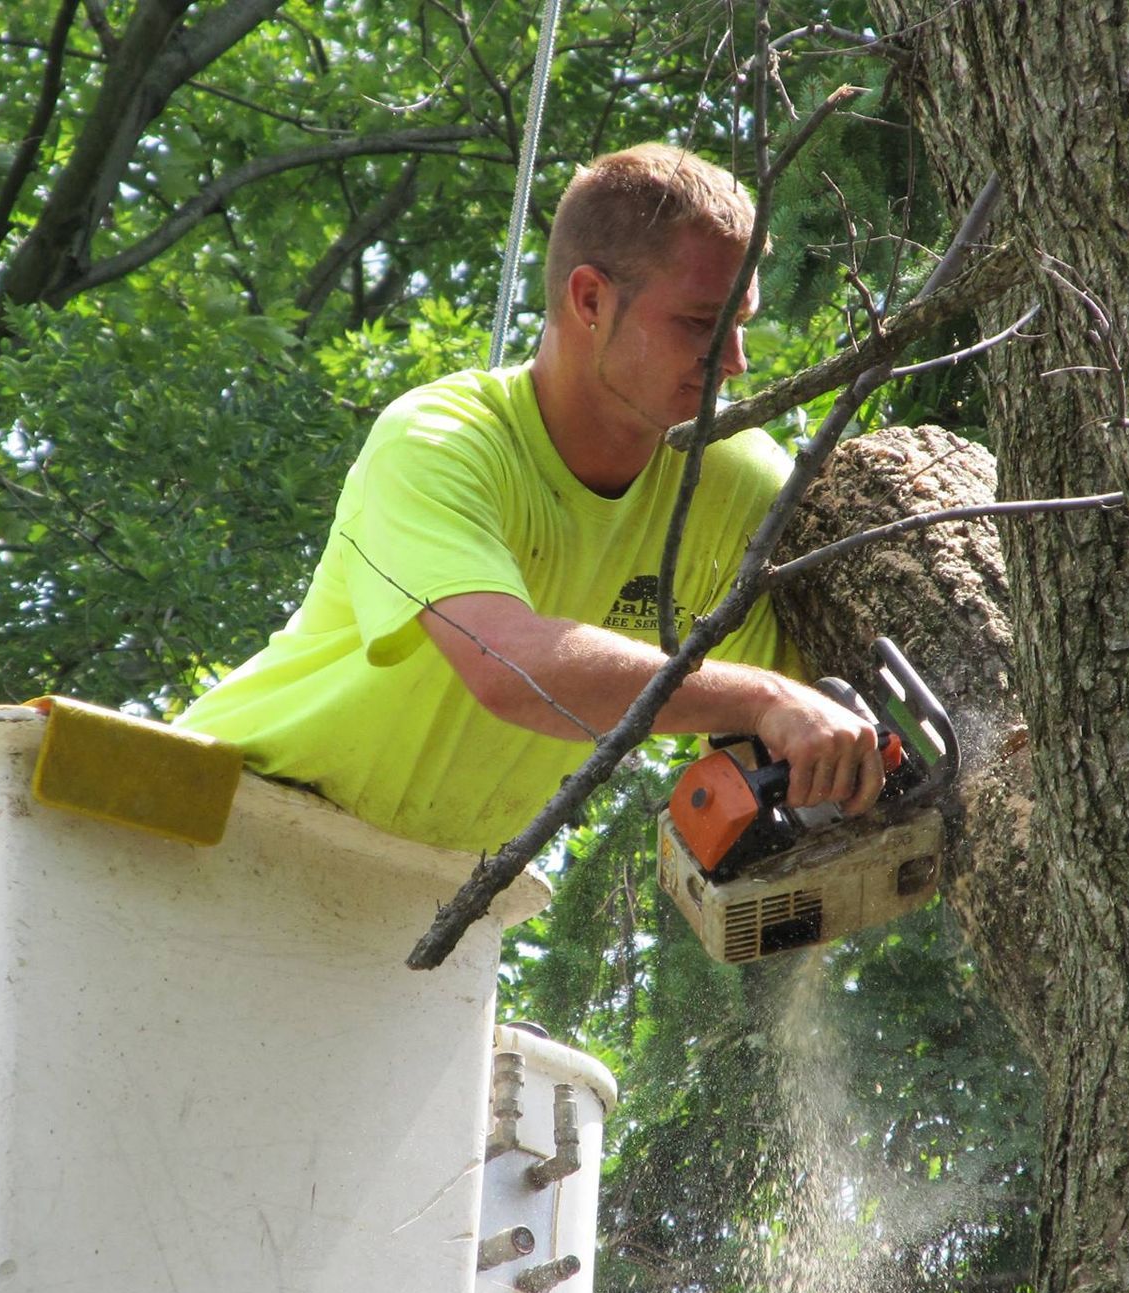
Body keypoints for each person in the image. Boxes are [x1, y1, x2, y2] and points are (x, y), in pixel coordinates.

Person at [176, 144, 883, 853]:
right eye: (701, 323)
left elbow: (778, 729)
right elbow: (509, 667)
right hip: (208, 806)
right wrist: (766, 701)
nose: (736, 361)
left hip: (428, 876)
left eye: (742, 323)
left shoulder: (735, 488)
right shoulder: (441, 441)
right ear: (590, 300)